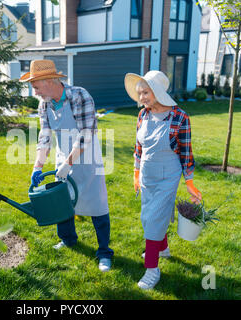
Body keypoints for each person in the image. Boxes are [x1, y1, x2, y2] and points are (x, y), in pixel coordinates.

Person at [20, 60, 114, 272]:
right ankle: (68, 239)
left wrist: (68, 163)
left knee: (97, 203)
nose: (33, 91)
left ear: (50, 81)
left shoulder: (79, 96)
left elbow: (86, 134)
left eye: (35, 86)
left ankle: (104, 252)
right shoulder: (44, 104)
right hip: (64, 156)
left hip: (87, 157)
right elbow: (44, 136)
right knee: (63, 202)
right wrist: (37, 166)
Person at [124, 70, 202, 289]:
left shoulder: (180, 118)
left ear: (157, 91)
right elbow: (138, 148)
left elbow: (186, 153)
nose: (141, 98)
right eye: (139, 94)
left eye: (145, 93)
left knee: (152, 219)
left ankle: (152, 269)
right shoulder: (143, 116)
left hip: (168, 175)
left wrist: (190, 183)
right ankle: (163, 248)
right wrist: (136, 173)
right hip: (147, 174)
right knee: (150, 216)